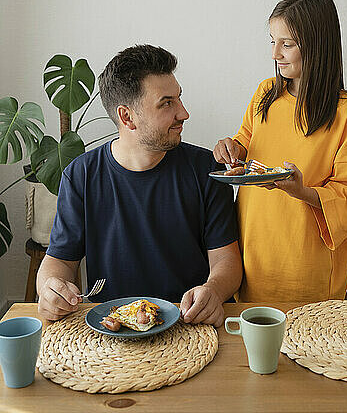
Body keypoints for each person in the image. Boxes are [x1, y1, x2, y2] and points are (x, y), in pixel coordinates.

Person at [37, 45, 242, 326]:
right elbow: (59, 261)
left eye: (179, 98)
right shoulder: (81, 175)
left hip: (191, 323)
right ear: (127, 117)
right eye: (166, 103)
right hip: (113, 328)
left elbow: (227, 261)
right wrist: (50, 288)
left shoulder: (207, 169)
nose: (184, 113)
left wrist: (214, 291)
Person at [213, 0, 347, 303]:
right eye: (272, 41)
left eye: (287, 44)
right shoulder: (266, 93)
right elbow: (246, 140)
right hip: (255, 248)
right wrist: (232, 149)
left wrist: (303, 191)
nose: (275, 53)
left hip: (306, 262)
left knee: (306, 343)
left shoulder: (345, 112)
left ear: (316, 46)